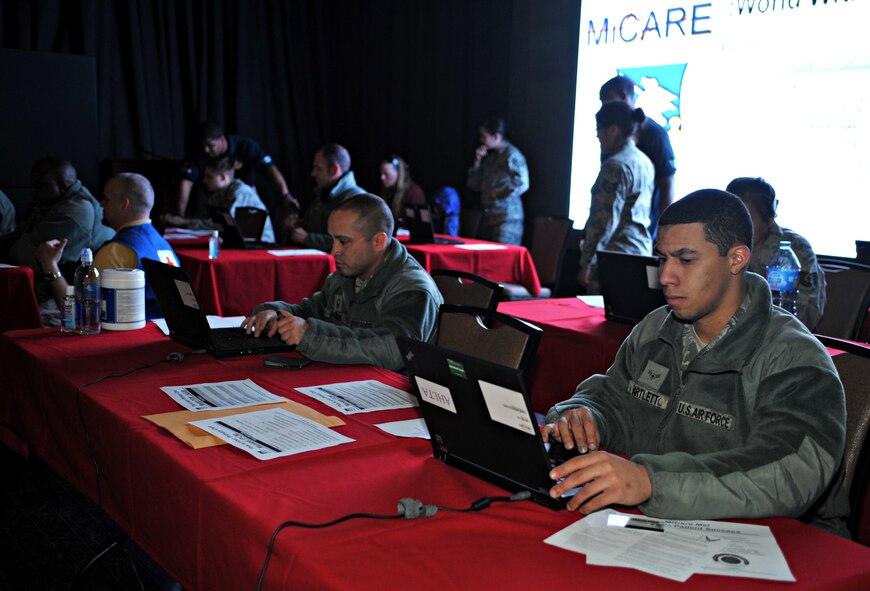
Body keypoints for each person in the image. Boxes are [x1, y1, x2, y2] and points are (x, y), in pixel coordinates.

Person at [543, 189, 849, 537]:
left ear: (736, 259)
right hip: (669, 527)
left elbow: (789, 469)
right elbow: (614, 398)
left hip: (785, 543)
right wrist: (583, 415)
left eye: (686, 260)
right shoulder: (656, 327)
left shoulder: (794, 358)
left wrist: (650, 481)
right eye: (662, 259)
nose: (665, 277)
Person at [243, 194, 443, 371]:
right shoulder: (345, 276)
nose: (334, 251)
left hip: (399, 398)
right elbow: (310, 311)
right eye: (332, 240)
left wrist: (310, 335)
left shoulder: (412, 289)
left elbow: (391, 351)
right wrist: (273, 313)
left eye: (344, 241)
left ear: (378, 242)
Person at [35, 173, 180, 321]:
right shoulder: (164, 245)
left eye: (106, 199)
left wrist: (50, 266)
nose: (101, 204)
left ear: (124, 204)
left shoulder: (115, 252)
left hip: (127, 338)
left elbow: (81, 315)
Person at [726, 177, 826, 331]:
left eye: (747, 220)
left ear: (769, 219)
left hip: (782, 339)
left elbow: (805, 314)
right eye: (730, 219)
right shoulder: (719, 245)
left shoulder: (795, 249)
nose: (736, 228)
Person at [579, 101, 654, 294]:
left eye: (599, 129)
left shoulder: (615, 166)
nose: (597, 135)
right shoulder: (645, 162)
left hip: (614, 261)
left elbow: (603, 221)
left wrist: (587, 261)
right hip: (640, 256)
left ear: (613, 129)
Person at [4, 157, 114, 275]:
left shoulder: (76, 210)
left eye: (40, 187)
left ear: (62, 187)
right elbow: (21, 233)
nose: (33, 192)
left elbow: (34, 256)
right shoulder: (52, 202)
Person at [600, 75, 676, 238]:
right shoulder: (610, 140)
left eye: (606, 101)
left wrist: (664, 235)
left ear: (622, 97)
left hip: (644, 234)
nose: (604, 108)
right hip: (610, 235)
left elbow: (667, 187)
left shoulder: (655, 135)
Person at [176, 121, 296, 217]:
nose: (206, 150)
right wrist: (180, 216)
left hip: (241, 198)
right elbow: (186, 182)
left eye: (210, 146)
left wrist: (285, 195)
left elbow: (270, 169)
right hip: (214, 198)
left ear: (221, 140)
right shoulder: (199, 153)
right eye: (203, 146)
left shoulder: (246, 146)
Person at [163, 155, 276, 242]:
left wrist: (184, 222)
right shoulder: (217, 195)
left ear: (223, 178)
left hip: (262, 245)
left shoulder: (240, 193)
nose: (204, 180)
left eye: (209, 176)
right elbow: (211, 221)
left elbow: (226, 227)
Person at [285, 143, 367, 252]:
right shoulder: (323, 195)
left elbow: (349, 244)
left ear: (334, 170)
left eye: (318, 168)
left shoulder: (356, 199)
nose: (313, 173)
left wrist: (307, 238)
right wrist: (296, 225)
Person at [466, 117, 529, 245]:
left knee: (503, 261)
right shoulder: (491, 158)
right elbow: (474, 184)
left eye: (484, 137)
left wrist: (499, 193)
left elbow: (522, 182)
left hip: (507, 223)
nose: (481, 140)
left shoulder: (511, 155)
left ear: (495, 136)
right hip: (489, 220)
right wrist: (477, 161)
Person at [379, 155, 426, 228]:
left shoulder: (414, 193)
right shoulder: (388, 192)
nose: (382, 177)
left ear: (399, 173)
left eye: (387, 174)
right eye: (381, 173)